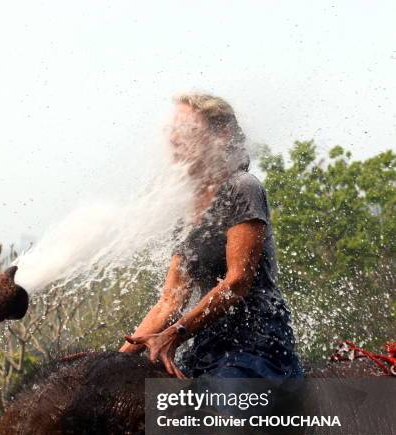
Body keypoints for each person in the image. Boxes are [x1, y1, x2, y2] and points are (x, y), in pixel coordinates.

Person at [120, 93, 302, 383]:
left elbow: (237, 282)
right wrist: (115, 360)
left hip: (256, 347)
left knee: (219, 421)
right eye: (171, 131)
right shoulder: (186, 211)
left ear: (222, 134)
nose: (173, 140)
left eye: (185, 130)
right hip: (204, 347)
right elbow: (170, 301)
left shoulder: (242, 188)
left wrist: (175, 334)